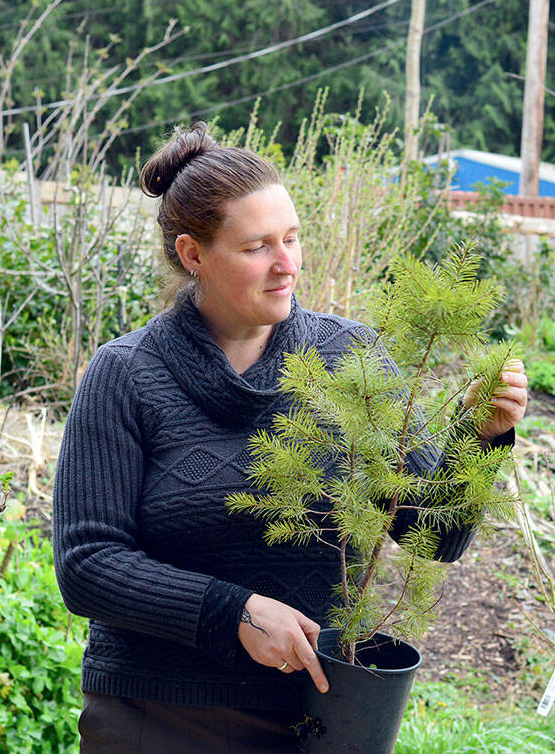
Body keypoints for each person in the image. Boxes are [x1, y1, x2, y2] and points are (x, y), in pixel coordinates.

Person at [52, 123, 528, 752]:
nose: (287, 265)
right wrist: (235, 613)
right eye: (257, 247)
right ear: (193, 254)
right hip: (155, 715)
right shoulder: (126, 375)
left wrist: (480, 439)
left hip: (320, 717)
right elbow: (88, 565)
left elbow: (432, 533)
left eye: (293, 239)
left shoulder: (351, 359)